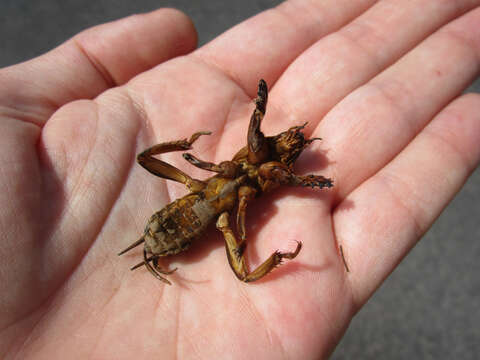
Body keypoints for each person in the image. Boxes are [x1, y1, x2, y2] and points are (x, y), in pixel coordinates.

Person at [1, 2, 479, 359]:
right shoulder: (247, 188)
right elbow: (254, 177)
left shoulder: (252, 166)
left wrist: (263, 131)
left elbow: (252, 154)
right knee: (244, 266)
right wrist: (289, 184)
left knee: (194, 182)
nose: (284, 146)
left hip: (211, 195)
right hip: (211, 212)